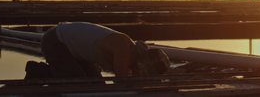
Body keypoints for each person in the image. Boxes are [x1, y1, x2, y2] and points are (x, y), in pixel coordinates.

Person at [40, 22, 170, 78]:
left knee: (96, 82)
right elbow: (121, 80)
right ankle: (40, 72)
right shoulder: (123, 47)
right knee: (76, 82)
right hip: (56, 41)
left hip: (76, 51)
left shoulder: (131, 53)